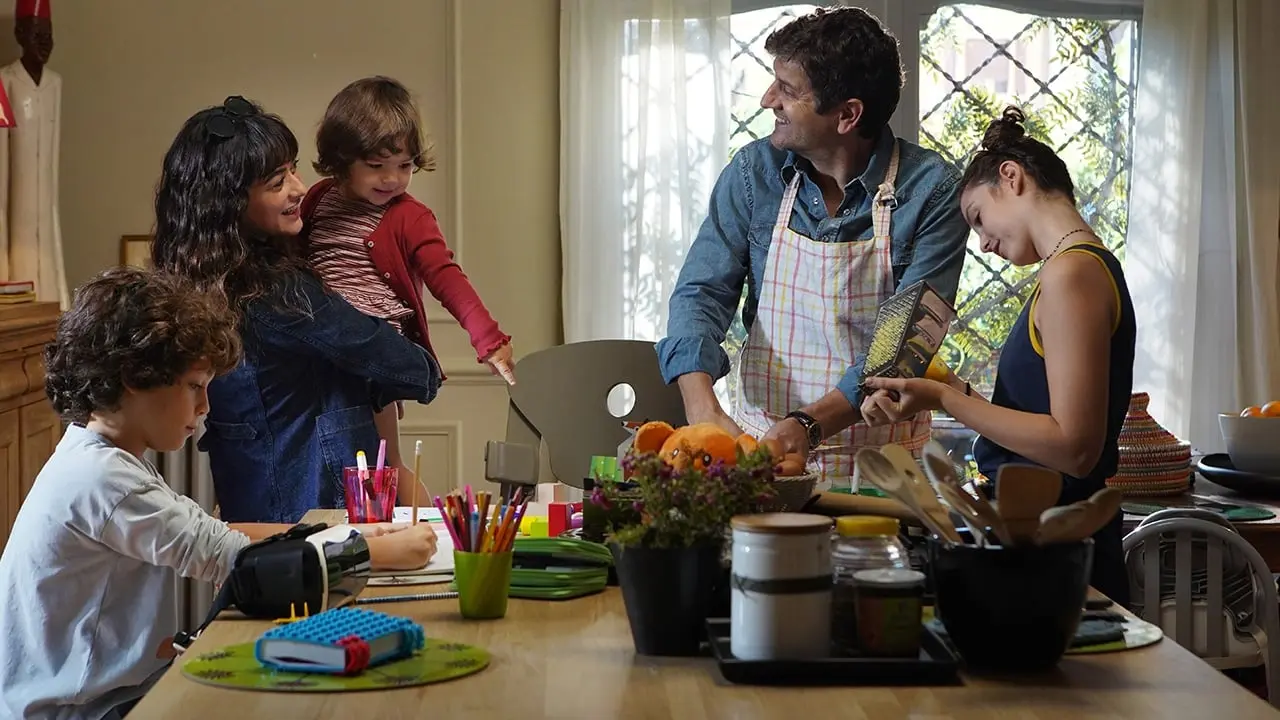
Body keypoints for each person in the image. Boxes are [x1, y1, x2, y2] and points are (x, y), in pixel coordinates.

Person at [0, 267, 438, 720]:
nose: (205, 406)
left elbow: (215, 532)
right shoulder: (101, 479)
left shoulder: (97, 455)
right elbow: (236, 560)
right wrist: (376, 553)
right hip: (83, 712)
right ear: (134, 376)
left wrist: (346, 533)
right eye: (195, 386)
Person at [656, 7, 970, 485]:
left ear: (847, 115)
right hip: (763, 454)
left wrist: (808, 425)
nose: (767, 100)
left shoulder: (933, 192)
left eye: (787, 90)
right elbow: (701, 292)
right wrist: (703, 409)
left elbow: (903, 344)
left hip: (883, 470)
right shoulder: (754, 174)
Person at [860, 106, 1136, 607]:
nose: (984, 244)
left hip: (1059, 555)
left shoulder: (1071, 275)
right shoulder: (1076, 269)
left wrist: (944, 398)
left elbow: (1074, 449)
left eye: (978, 218)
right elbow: (1041, 428)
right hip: (1042, 545)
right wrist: (952, 390)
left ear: (1011, 177)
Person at [151, 96, 443, 524]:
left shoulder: (201, 276)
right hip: (310, 504)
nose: (299, 188)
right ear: (230, 203)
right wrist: (422, 367)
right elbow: (409, 368)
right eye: (276, 182)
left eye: (293, 169)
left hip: (251, 493)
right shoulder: (279, 293)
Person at [302, 76, 515, 497]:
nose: (392, 179)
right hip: (321, 348)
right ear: (342, 159)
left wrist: (488, 339)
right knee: (324, 460)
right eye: (376, 166)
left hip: (374, 352)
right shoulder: (318, 200)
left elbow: (446, 278)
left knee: (386, 464)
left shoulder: (410, 217)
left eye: (405, 166)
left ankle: (430, 528)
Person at [0, 0, 69, 308]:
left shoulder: (55, 83)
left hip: (46, 206)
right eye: (36, 33)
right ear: (19, 34)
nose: (44, 42)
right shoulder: (5, 81)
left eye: (48, 35)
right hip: (16, 206)